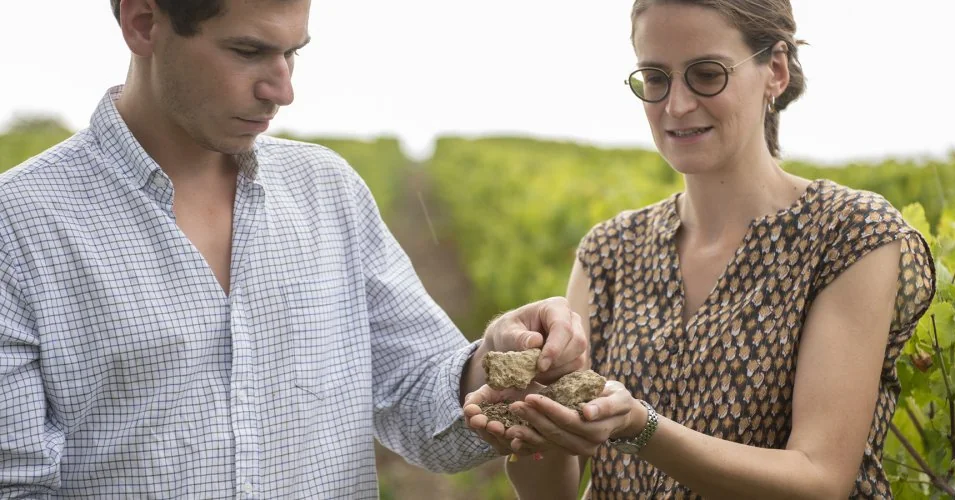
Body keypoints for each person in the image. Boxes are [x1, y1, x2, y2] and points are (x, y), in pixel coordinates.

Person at [0, 0, 589, 497]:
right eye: (248, 51)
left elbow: (416, 393)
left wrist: (498, 358)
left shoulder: (327, 190)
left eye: (292, 53)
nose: (281, 89)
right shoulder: (17, 226)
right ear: (143, 22)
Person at [464, 0, 936, 498]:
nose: (677, 105)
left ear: (774, 70)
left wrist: (641, 428)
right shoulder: (608, 252)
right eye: (655, 77)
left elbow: (819, 481)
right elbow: (555, 491)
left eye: (706, 74)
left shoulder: (850, 235)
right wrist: (530, 428)